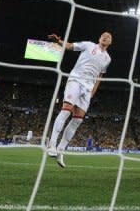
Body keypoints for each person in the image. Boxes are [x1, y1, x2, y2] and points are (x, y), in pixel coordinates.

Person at [47, 31, 112, 168]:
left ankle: (61, 150)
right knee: (66, 110)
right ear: (99, 38)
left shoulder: (107, 59)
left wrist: (93, 92)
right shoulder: (88, 45)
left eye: (109, 37)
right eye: (103, 35)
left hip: (88, 89)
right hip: (76, 79)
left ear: (110, 42)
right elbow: (70, 46)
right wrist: (59, 41)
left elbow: (100, 77)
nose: (106, 37)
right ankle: (52, 144)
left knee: (77, 120)